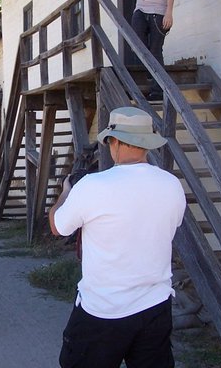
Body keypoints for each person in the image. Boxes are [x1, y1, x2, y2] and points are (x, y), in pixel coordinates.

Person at [49, 107, 186, 368]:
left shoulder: (92, 186)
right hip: (155, 305)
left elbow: (59, 227)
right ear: (146, 143)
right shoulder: (172, 184)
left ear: (116, 141)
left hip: (103, 309)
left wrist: (65, 193)